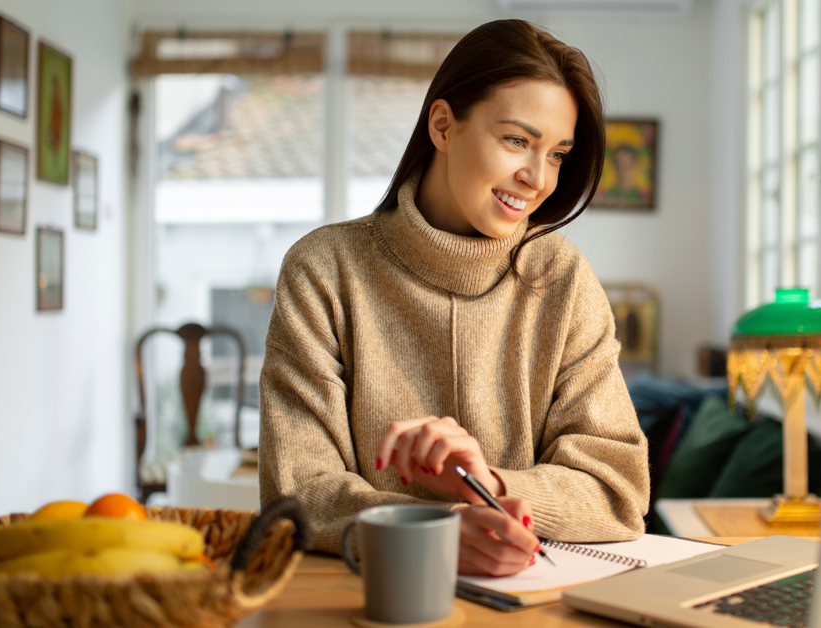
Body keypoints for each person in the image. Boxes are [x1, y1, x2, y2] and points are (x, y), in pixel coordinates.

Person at [259, 19, 649, 578]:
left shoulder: (563, 278)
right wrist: (431, 534)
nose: (538, 178)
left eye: (558, 153)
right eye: (517, 140)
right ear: (443, 125)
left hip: (529, 602)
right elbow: (297, 494)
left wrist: (488, 487)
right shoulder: (324, 269)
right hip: (358, 596)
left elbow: (617, 492)